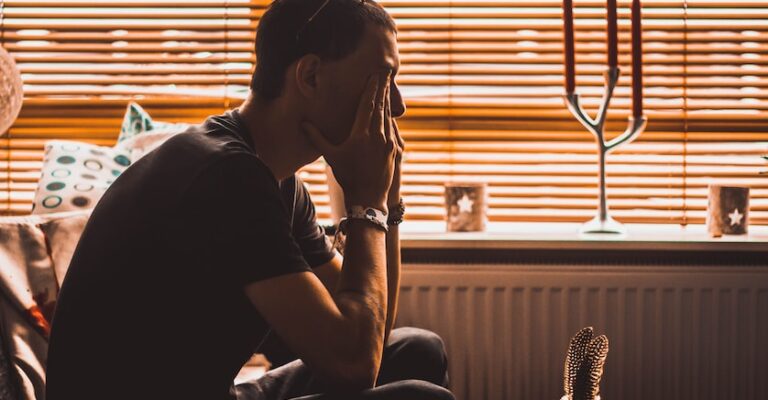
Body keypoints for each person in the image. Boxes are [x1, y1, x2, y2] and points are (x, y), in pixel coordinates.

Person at [46, 1, 454, 399]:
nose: (396, 106)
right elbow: (353, 365)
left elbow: (371, 335)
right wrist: (367, 203)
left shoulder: (273, 179)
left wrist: (387, 203)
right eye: (382, 79)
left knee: (417, 348)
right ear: (310, 76)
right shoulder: (226, 176)